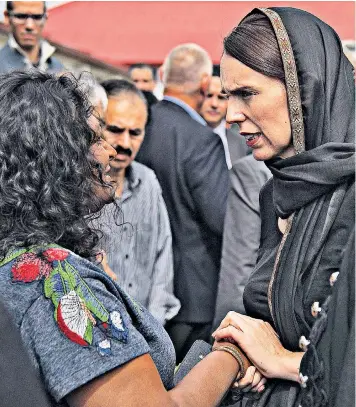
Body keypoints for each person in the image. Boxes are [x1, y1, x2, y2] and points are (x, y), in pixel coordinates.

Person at [0, 70, 267, 407]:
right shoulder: (55, 282)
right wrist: (234, 352)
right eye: (96, 137)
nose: (111, 151)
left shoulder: (17, 257)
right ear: (59, 157)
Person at [212, 7, 355, 407]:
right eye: (227, 95)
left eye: (246, 93)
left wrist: (285, 362)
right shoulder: (277, 194)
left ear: (302, 91)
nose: (231, 115)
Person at [135, 43, 230, 362]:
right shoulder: (201, 140)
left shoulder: (140, 127)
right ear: (206, 83)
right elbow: (223, 217)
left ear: (162, 76)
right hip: (194, 292)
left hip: (139, 282)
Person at [96, 78, 180, 325]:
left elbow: (162, 258)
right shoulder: (75, 189)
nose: (124, 143)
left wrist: (153, 329)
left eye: (135, 133)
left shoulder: (148, 181)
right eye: (115, 129)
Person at [213, 155, 271, 328]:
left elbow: (239, 266)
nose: (237, 126)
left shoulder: (253, 172)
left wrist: (226, 336)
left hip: (268, 332)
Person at [200, 67, 248, 168]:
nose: (214, 104)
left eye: (221, 97)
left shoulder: (242, 143)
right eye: (209, 96)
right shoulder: (183, 138)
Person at [0, 1, 63, 74]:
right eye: (21, 16)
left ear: (45, 18)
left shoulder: (57, 67)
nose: (29, 26)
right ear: (7, 17)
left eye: (37, 17)